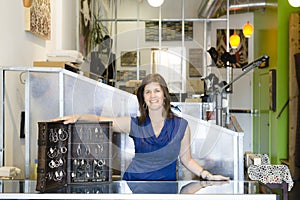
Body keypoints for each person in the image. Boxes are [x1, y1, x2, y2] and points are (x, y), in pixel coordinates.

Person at [52, 73, 229, 181]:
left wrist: (207, 175)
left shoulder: (181, 126)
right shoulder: (134, 123)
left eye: (157, 91)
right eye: (147, 91)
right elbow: (102, 120)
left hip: (166, 189)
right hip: (135, 185)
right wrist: (77, 117)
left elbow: (187, 160)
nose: (153, 95)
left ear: (165, 95)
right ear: (143, 98)